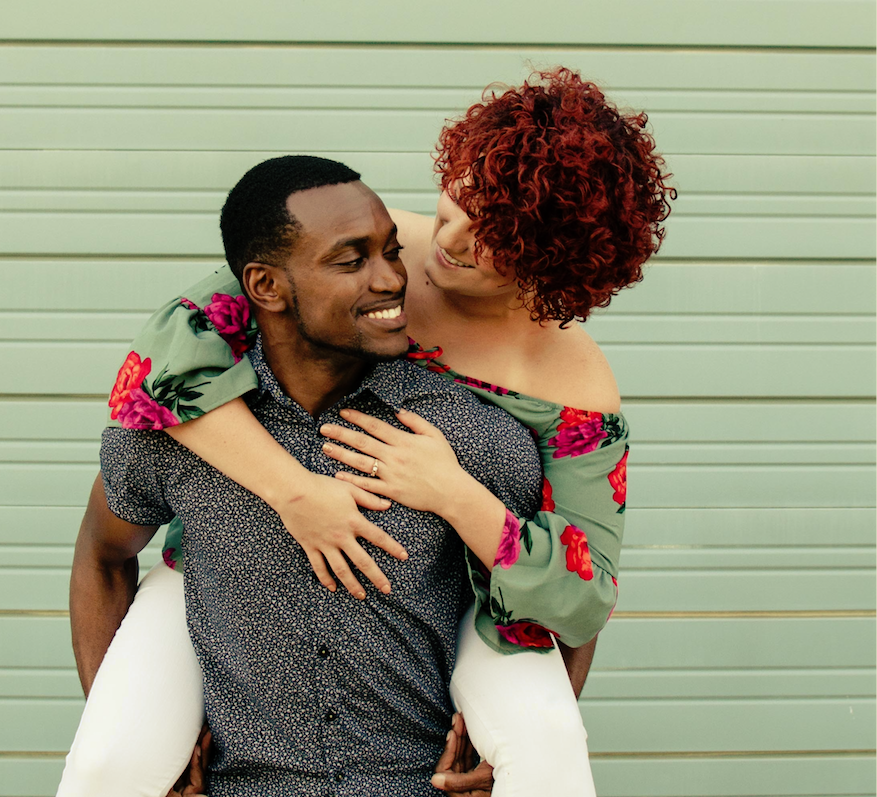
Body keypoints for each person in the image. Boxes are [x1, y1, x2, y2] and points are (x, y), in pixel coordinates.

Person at [60, 68, 674, 796]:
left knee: (548, 744)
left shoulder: (570, 384)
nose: (447, 241)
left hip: (462, 585)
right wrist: (295, 493)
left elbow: (580, 600)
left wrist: (452, 492)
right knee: (106, 765)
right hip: (225, 566)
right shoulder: (379, 245)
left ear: (550, 263)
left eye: (494, 238)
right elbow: (163, 365)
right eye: (460, 199)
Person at [66, 155, 548, 796]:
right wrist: (132, 742)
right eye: (351, 261)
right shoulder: (177, 437)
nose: (392, 280)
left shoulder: (467, 437)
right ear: (266, 287)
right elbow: (102, 556)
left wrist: (509, 755)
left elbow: (552, 608)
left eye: (392, 252)